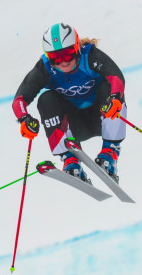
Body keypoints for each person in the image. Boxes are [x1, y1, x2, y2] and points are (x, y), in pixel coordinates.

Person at [12, 23, 127, 183]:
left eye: (67, 55)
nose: (63, 62)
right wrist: (24, 119)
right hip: (73, 127)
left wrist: (115, 98)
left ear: (76, 48)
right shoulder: (44, 69)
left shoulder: (90, 56)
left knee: (110, 87)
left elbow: (116, 77)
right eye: (55, 58)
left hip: (101, 118)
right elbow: (19, 99)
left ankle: (109, 154)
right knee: (46, 99)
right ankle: (70, 161)